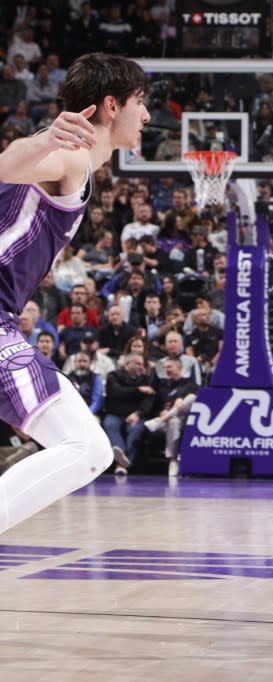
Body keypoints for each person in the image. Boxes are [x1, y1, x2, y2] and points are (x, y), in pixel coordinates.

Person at [0, 53, 149, 533]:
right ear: (111, 105)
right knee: (88, 447)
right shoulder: (69, 157)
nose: (146, 115)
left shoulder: (76, 165)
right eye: (140, 102)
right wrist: (44, 137)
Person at [142, 355, 198, 477]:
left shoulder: (190, 383)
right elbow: (155, 406)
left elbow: (192, 399)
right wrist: (160, 413)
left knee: (190, 399)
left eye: (170, 366)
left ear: (179, 367)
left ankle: (173, 461)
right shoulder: (163, 386)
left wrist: (179, 398)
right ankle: (173, 459)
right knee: (172, 420)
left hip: (184, 421)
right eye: (165, 367)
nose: (167, 369)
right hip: (165, 423)